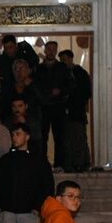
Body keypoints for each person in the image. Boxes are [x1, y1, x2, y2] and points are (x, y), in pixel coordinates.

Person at [36, 41, 70, 170]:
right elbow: (36, 87)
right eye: (48, 49)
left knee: (59, 137)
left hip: (58, 107)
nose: (51, 52)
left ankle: (59, 164)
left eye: (53, 49)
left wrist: (60, 91)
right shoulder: (38, 69)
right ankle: (42, 165)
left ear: (56, 51)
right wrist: (46, 95)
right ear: (45, 51)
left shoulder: (62, 68)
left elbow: (70, 85)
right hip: (43, 107)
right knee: (42, 137)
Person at [60, 49, 92, 172]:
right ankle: (72, 163)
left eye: (65, 59)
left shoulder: (80, 73)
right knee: (67, 140)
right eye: (62, 60)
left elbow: (86, 92)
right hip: (65, 113)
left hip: (77, 112)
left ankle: (81, 163)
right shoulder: (63, 73)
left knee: (79, 138)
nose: (63, 62)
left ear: (71, 58)